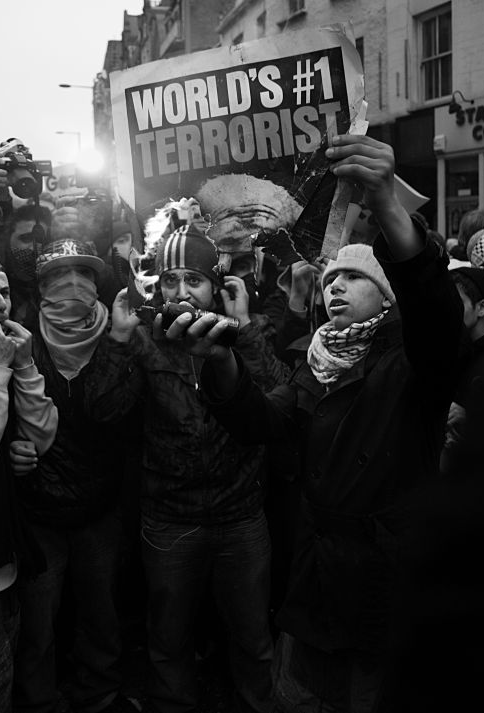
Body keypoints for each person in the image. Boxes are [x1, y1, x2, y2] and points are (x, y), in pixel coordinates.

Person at [160, 134, 464, 712]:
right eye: (329, 282)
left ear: (387, 297)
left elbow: (436, 309)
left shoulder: (414, 362)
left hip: (388, 577)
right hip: (317, 576)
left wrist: (388, 206)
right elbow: (262, 422)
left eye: (353, 280)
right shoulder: (317, 361)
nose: (334, 289)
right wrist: (222, 362)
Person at [85, 223, 284, 713]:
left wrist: (247, 328)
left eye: (193, 280)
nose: (180, 291)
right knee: (168, 644)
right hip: (171, 520)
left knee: (253, 639)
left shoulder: (239, 332)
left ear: (214, 285)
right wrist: (116, 338)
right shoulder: (146, 342)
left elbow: (279, 406)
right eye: (170, 280)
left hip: (240, 517)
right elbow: (103, 412)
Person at [12, 239, 137, 713]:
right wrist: (11, 449)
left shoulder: (118, 331)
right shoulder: (20, 333)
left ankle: (99, 695)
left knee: (101, 612)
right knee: (38, 622)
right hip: (40, 507)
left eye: (83, 275)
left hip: (100, 504)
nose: (72, 285)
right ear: (40, 286)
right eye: (59, 277)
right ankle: (39, 701)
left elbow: (118, 414)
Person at [0, 246, 57, 713]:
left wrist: (22, 367)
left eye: (4, 291)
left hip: (5, 568)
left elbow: (42, 435)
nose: (3, 303)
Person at [441, 267, 484, 474]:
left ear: (482, 308)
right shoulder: (457, 346)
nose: (447, 311)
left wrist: (469, 416)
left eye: (456, 304)